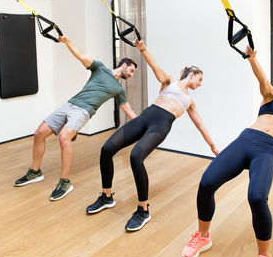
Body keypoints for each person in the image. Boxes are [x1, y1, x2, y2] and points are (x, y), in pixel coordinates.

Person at [180, 46, 273, 257]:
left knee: (256, 197)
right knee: (206, 183)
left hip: (266, 151)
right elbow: (263, 80)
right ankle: (203, 237)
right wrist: (252, 60)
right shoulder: (272, 98)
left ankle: (264, 256)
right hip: (245, 141)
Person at [85, 40, 219, 231]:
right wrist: (142, 48)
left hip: (160, 125)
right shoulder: (169, 82)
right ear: (192, 74)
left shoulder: (189, 101)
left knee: (135, 157)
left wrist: (213, 146)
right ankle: (106, 196)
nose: (200, 84)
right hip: (145, 117)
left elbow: (201, 126)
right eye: (200, 79)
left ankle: (143, 209)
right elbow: (154, 65)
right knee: (106, 149)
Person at [14, 35, 138, 201]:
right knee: (39, 133)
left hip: (84, 111)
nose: (131, 75)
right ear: (124, 65)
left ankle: (65, 182)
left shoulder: (118, 89)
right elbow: (81, 56)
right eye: (131, 70)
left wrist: (143, 126)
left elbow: (128, 110)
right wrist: (67, 42)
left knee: (64, 138)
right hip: (70, 104)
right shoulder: (100, 68)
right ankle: (35, 172)